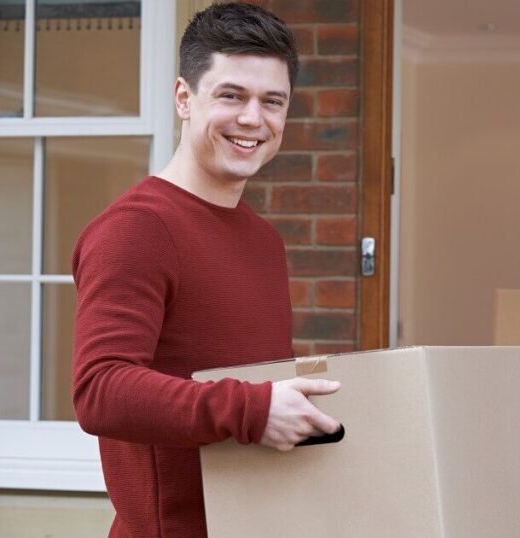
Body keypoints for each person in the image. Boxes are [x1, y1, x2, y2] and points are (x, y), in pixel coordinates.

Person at [71, 4, 341, 537]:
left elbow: (248, 386)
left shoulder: (264, 240)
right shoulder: (138, 229)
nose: (252, 119)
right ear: (183, 99)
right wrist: (252, 409)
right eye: (231, 95)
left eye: (272, 102)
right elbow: (99, 389)